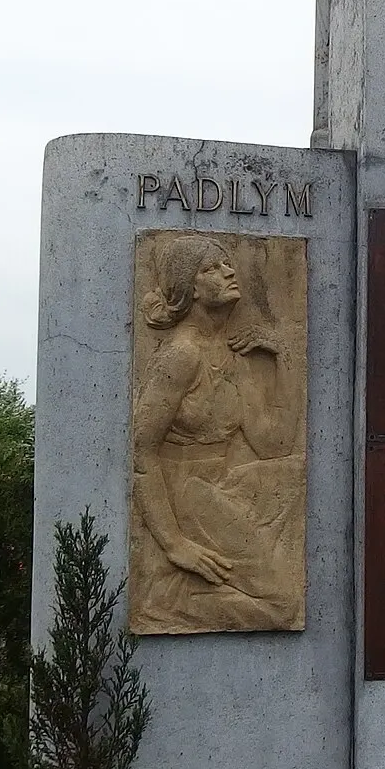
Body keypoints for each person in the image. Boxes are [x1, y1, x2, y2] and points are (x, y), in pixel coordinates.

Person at [132, 236, 304, 631]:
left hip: (223, 482)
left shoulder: (231, 353)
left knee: (298, 470)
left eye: (227, 263)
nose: (228, 271)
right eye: (211, 267)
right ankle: (166, 597)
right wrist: (174, 545)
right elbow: (142, 451)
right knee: (282, 606)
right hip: (186, 492)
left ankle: (187, 588)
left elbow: (274, 444)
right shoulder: (181, 354)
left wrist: (283, 358)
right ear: (189, 287)